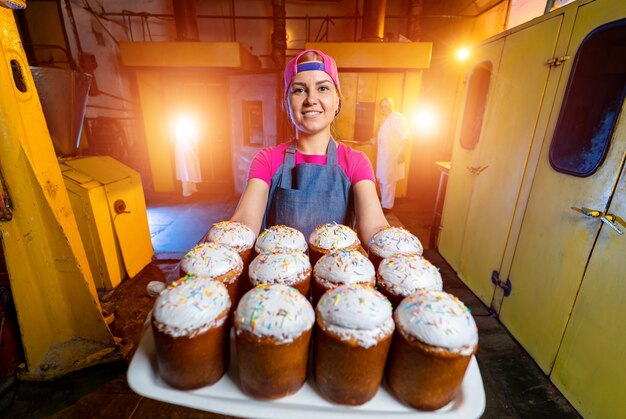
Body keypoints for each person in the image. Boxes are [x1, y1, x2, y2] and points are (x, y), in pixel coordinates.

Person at [230, 49, 388, 246]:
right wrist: (226, 241)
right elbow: (245, 223)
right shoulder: (268, 160)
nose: (311, 99)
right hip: (277, 275)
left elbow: (374, 227)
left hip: (340, 274)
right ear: (286, 104)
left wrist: (394, 246)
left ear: (338, 100)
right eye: (299, 90)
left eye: (323, 89)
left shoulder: (355, 162)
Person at [375, 97, 410, 213]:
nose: (385, 108)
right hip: (383, 156)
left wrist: (402, 153)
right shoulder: (386, 120)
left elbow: (406, 137)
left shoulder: (398, 118)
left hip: (392, 156)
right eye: (383, 106)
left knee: (389, 180)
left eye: (387, 105)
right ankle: (383, 203)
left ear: (391, 105)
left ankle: (387, 207)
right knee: (383, 179)